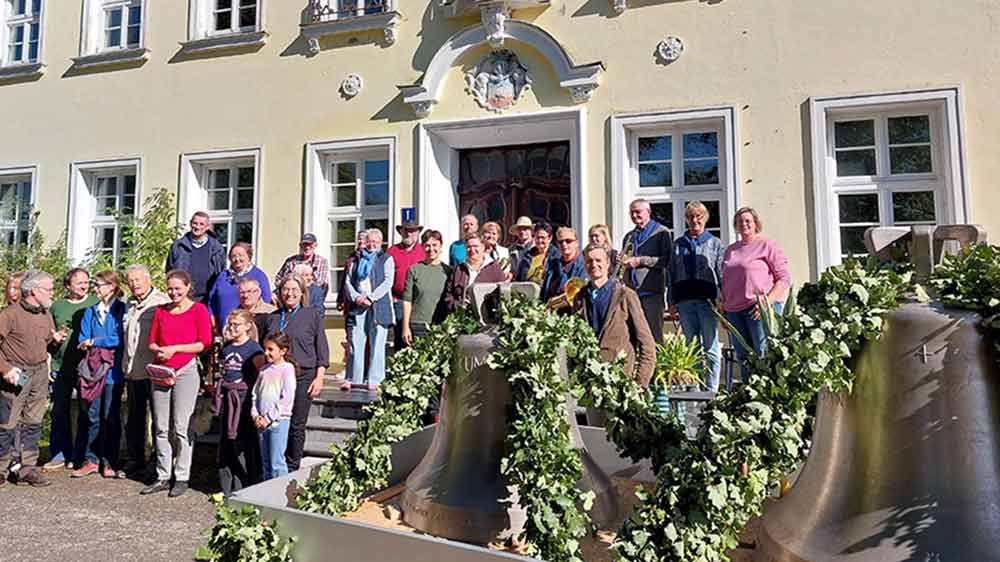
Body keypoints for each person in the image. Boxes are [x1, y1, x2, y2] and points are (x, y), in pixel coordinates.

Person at [141, 270, 212, 497]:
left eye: (178, 288)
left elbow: (204, 343)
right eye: (170, 288)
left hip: (186, 371)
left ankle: (182, 475)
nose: (173, 293)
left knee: (181, 426)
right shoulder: (161, 311)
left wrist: (175, 349)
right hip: (162, 371)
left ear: (188, 286)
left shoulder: (198, 310)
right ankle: (163, 474)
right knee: (161, 426)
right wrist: (160, 350)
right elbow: (152, 341)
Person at [575, 245, 656, 426]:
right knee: (596, 439)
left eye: (598, 261)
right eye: (589, 261)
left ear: (608, 264)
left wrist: (639, 384)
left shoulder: (625, 295)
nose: (593, 265)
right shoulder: (580, 298)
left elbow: (647, 344)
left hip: (621, 384)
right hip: (592, 386)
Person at [0, 270, 63, 487]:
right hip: (16, 374)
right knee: (7, 424)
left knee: (34, 422)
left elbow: (47, 344)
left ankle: (28, 468)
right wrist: (5, 369)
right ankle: (1, 468)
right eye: (49, 289)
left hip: (39, 373)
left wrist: (55, 341)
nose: (52, 293)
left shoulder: (44, 313)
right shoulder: (10, 314)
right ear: (34, 290)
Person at [262, 275, 328, 472]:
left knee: (296, 424)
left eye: (294, 290)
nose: (289, 294)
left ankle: (292, 467)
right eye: (285, 290)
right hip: (276, 376)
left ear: (302, 293)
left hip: (303, 374)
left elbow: (321, 348)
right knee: (276, 421)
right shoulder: (273, 317)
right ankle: (275, 464)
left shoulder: (312, 315)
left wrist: (320, 377)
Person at [721, 207, 791, 381]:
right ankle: (749, 397)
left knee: (763, 355)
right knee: (743, 357)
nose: (743, 224)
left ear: (755, 224)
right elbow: (726, 280)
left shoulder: (767, 245)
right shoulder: (731, 250)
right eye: (739, 221)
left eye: (748, 221)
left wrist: (767, 303)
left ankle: (766, 397)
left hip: (759, 309)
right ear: (735, 226)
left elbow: (784, 279)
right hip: (734, 311)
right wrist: (723, 307)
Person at [72, 270, 126, 479]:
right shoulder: (90, 312)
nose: (95, 289)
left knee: (110, 417)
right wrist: (97, 341)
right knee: (92, 416)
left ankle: (110, 461)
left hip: (113, 372)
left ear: (112, 287)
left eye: (99, 285)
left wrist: (96, 341)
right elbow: (83, 338)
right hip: (93, 372)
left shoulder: (121, 309)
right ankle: (91, 460)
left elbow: (118, 338)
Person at [668, 202, 726, 392]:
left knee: (710, 347)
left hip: (707, 300)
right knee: (692, 348)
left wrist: (722, 300)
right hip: (684, 301)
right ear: (686, 219)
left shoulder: (715, 243)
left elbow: (721, 273)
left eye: (699, 216)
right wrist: (671, 302)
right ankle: (696, 390)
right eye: (691, 217)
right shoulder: (678, 244)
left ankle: (712, 390)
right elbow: (671, 274)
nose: (695, 220)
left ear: (705, 218)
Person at [120, 264, 170, 480]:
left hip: (154, 370)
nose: (134, 284)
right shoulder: (128, 305)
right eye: (131, 281)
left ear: (148, 279)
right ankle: (135, 459)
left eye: (138, 279)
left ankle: (157, 463)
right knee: (135, 418)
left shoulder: (161, 302)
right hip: (133, 370)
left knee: (159, 420)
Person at [45, 268, 97, 471]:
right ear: (68, 286)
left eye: (86, 281)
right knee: (59, 410)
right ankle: (59, 453)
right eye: (79, 282)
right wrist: (54, 339)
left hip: (86, 366)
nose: (84, 285)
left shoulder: (93, 302)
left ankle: (80, 455)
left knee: (86, 411)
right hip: (61, 365)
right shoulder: (57, 306)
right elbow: (47, 333)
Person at [214, 309, 264, 496]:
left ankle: (245, 484)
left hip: (244, 400)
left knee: (243, 442)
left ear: (247, 326)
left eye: (237, 324)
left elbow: (260, 374)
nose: (233, 328)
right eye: (231, 324)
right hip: (227, 399)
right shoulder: (227, 348)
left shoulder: (254, 349)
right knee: (226, 441)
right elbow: (222, 369)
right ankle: (226, 486)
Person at [342, 228, 394, 392]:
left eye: (375, 242)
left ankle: (375, 378)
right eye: (369, 241)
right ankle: (353, 377)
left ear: (380, 243)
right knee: (355, 342)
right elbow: (348, 281)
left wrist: (371, 298)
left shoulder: (386, 259)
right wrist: (356, 296)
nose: (371, 245)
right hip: (358, 304)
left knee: (377, 342)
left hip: (378, 305)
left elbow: (388, 282)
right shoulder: (356, 259)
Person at [621, 198, 674, 344]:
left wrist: (640, 261)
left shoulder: (662, 232)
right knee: (633, 335)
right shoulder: (629, 236)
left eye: (638, 212)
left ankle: (658, 367)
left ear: (648, 212)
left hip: (652, 293)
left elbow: (666, 260)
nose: (634, 215)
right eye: (631, 213)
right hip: (632, 293)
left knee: (653, 334)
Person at [252, 331, 297, 481]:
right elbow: (255, 394)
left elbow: (287, 398)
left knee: (276, 461)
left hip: (278, 421)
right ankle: (266, 492)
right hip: (261, 422)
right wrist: (256, 415)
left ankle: (280, 493)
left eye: (271, 349)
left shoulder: (287, 369)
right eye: (265, 349)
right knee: (265, 461)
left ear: (283, 351)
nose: (266, 353)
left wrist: (269, 417)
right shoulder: (264, 370)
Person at [401, 230, 450, 347]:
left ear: (441, 246)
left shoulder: (448, 271)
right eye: (427, 245)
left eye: (434, 245)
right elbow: (407, 301)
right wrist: (405, 327)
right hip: (418, 324)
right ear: (422, 247)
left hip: (441, 325)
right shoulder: (414, 270)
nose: (431, 249)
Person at [208, 242, 272, 331]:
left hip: (247, 331)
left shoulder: (259, 276)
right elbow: (212, 301)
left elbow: (265, 302)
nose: (237, 259)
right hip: (223, 330)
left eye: (241, 255)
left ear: (249, 256)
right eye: (233, 256)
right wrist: (214, 323)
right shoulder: (223, 276)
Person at [166, 211, 227, 302]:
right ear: (191, 224)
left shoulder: (217, 248)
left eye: (201, 224)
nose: (197, 227)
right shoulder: (178, 246)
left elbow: (221, 272)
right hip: (184, 297)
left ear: (207, 227)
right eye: (195, 223)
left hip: (209, 298)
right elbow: (169, 271)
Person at [386, 221, 425, 352]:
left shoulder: (424, 250)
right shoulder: (392, 251)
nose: (409, 233)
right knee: (400, 337)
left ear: (418, 233)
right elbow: (385, 277)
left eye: (413, 231)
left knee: (419, 337)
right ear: (401, 232)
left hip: (419, 302)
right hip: (399, 301)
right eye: (406, 230)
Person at [444, 232, 506, 312]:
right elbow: (448, 294)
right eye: (468, 247)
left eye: (475, 246)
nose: (472, 250)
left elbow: (503, 294)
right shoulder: (459, 269)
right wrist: (458, 307)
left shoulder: (494, 269)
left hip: (488, 319)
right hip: (462, 318)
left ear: (483, 247)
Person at [275, 233, 330, 298]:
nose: (307, 247)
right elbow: (278, 279)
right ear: (300, 246)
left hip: (312, 296)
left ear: (315, 246)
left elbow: (320, 283)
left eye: (310, 245)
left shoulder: (322, 261)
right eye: (304, 244)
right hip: (290, 296)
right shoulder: (291, 261)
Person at [542, 226, 588, 301]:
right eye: (560, 242)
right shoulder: (552, 264)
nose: (564, 244)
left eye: (568, 241)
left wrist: (555, 301)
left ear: (576, 243)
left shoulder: (584, 265)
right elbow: (544, 290)